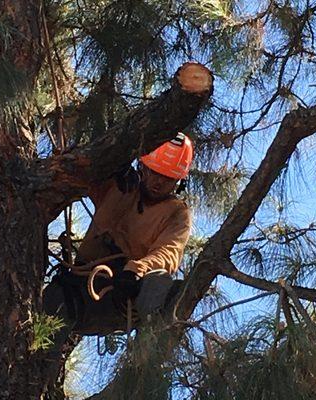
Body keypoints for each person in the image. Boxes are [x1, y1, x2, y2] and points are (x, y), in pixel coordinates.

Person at [42, 132, 193, 390]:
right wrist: (109, 165)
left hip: (122, 297)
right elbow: (72, 167)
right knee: (46, 322)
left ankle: (148, 361)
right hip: (77, 289)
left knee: (162, 284)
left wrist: (136, 270)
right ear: (142, 166)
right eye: (154, 172)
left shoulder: (176, 213)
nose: (158, 182)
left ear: (178, 182)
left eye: (167, 178)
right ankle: (34, 384)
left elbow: (169, 253)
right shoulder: (120, 188)